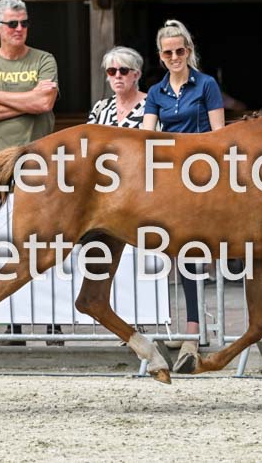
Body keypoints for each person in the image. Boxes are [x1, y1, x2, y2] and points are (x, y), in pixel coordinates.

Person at [0, 0, 60, 346]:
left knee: (43, 245)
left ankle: (52, 322)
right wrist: (24, 102)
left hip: (39, 166)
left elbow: (44, 103)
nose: (19, 29)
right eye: (12, 24)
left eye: (24, 23)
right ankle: (12, 324)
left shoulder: (44, 59)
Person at [141, 19, 225, 365]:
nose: (175, 57)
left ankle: (192, 332)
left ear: (188, 51)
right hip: (169, 176)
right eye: (168, 53)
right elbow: (147, 137)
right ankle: (182, 327)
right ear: (160, 56)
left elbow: (219, 135)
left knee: (189, 253)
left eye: (179, 51)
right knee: (170, 252)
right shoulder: (155, 92)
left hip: (202, 174)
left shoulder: (206, 85)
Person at [88, 46, 146, 128]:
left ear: (136, 75)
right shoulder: (100, 107)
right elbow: (88, 135)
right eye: (112, 71)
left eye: (124, 70)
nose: (118, 76)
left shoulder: (151, 105)